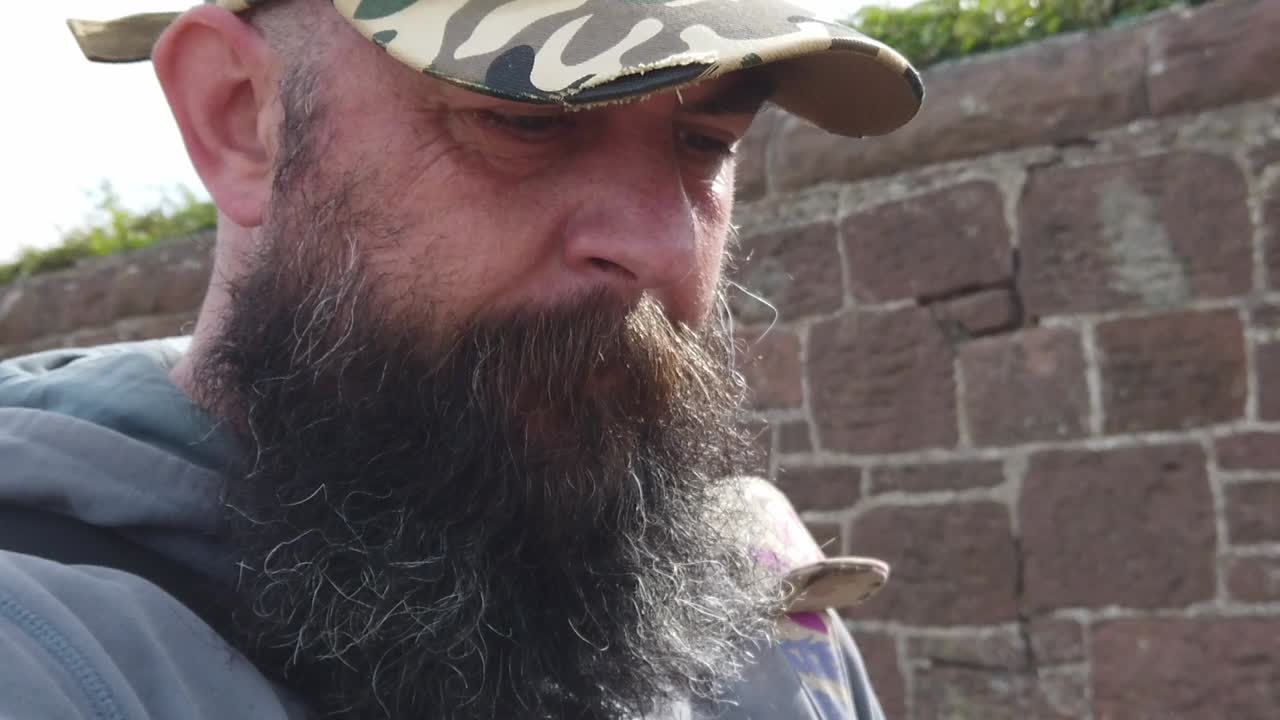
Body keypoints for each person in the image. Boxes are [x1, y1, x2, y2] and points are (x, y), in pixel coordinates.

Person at [0, 1, 922, 717]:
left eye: (706, 143)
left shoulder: (770, 634)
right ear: (242, 119)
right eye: (528, 121)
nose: (665, 247)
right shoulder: (48, 653)